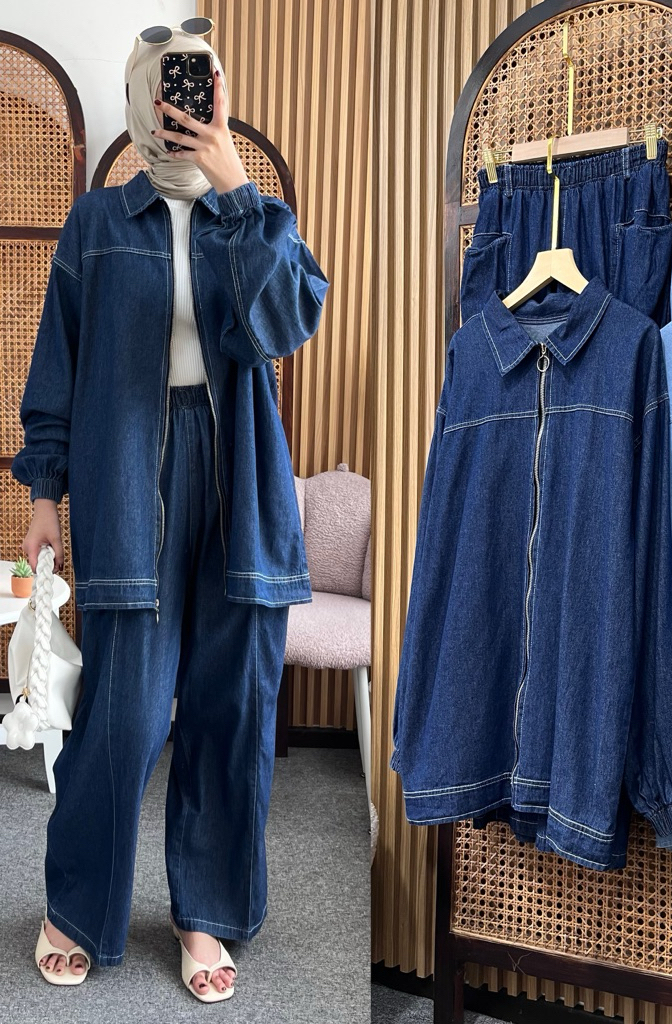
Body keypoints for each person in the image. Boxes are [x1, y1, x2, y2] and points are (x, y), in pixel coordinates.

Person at [10, 20, 329, 1003]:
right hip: (125, 476)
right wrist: (43, 494)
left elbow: (286, 323)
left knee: (231, 707)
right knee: (126, 711)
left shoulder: (257, 214)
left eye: (201, 84)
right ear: (141, 97)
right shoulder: (97, 221)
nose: (184, 101)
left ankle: (208, 913)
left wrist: (235, 186)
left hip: (239, 478)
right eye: (170, 84)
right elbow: (57, 365)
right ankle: (79, 905)